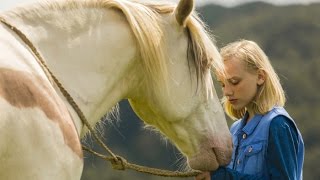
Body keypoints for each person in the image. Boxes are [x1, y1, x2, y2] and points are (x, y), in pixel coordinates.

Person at [196, 39, 304, 180]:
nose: (227, 92)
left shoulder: (278, 124)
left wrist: (223, 177)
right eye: (223, 84)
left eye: (234, 82)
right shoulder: (234, 130)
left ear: (260, 77)